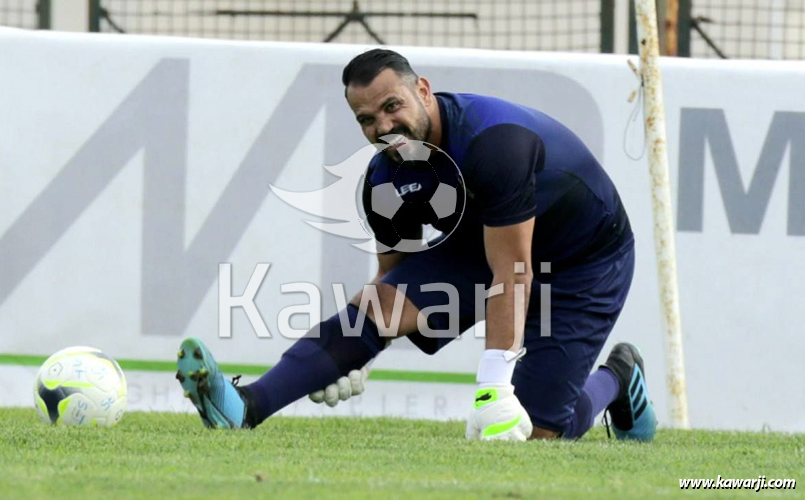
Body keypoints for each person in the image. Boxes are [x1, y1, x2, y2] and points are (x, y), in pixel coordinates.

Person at [175, 48, 656, 441]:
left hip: (585, 259)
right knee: (379, 306)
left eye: (392, 107)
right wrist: (349, 359)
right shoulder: (383, 182)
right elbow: (391, 284)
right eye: (366, 119)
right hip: (486, 242)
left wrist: (493, 387)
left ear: (423, 91)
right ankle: (247, 406)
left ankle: (618, 378)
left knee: (538, 437)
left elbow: (513, 274)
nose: (383, 127)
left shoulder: (496, 144)